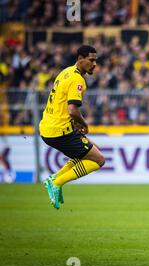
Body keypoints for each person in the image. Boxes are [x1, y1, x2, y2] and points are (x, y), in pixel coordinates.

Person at [39, 45, 105, 209]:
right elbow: (72, 109)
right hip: (59, 131)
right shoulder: (77, 79)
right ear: (80, 59)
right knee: (98, 160)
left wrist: (75, 123)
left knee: (93, 149)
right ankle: (57, 182)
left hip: (50, 126)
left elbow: (62, 104)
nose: (94, 64)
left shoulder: (66, 72)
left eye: (96, 60)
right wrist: (83, 123)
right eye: (91, 60)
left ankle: (54, 178)